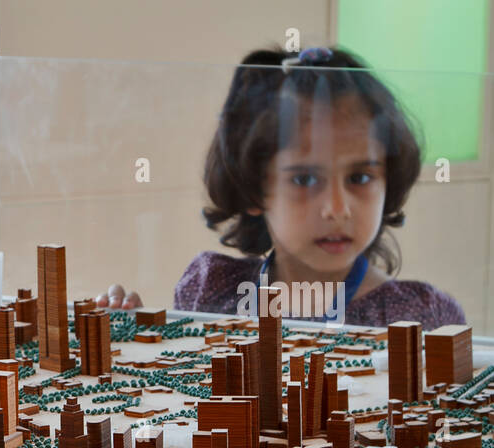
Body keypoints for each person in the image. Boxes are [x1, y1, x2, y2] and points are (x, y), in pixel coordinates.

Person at [97, 46, 465, 329]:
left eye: (360, 177)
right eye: (305, 179)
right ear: (256, 190)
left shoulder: (424, 317)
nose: (337, 208)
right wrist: (132, 337)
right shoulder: (210, 291)